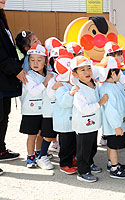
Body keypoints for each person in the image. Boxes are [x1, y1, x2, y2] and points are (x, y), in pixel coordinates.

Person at [71, 56, 108, 183]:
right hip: (83, 124)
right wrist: (100, 103)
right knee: (83, 150)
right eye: (82, 70)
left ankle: (90, 162)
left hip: (93, 123)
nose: (87, 72)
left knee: (92, 147)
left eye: (89, 68)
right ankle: (83, 171)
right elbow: (84, 109)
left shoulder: (94, 83)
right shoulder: (78, 90)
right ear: (75, 74)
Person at [0, 0, 28, 167]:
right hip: (4, 74)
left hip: (5, 79)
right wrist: (16, 70)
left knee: (4, 116)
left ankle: (1, 150)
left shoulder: (2, 18)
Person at [97, 56, 125, 179]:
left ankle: (111, 162)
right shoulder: (107, 88)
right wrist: (117, 126)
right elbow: (111, 110)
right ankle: (114, 168)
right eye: (119, 71)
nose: (121, 73)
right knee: (113, 146)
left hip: (118, 124)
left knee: (113, 145)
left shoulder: (114, 84)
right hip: (114, 125)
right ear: (112, 72)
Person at [19, 44, 53, 168]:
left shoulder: (47, 74)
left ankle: (39, 152)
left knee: (41, 133)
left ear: (45, 61)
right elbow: (33, 91)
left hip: (42, 110)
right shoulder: (28, 75)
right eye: (32, 60)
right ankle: (30, 156)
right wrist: (45, 82)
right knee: (32, 135)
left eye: (39, 60)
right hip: (31, 111)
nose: (35, 63)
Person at [52, 54, 78, 175]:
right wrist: (71, 94)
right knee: (66, 143)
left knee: (73, 141)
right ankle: (64, 164)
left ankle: (72, 159)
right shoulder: (60, 85)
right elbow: (63, 102)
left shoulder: (71, 83)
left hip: (72, 120)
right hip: (64, 120)